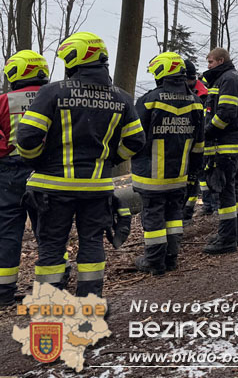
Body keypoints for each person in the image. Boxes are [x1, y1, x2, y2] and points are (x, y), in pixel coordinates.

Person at [16, 32, 146, 297]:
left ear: (75, 59)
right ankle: (89, 304)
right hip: (97, 188)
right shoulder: (121, 97)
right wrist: (110, 160)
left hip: (52, 188)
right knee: (92, 243)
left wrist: (37, 160)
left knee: (52, 247)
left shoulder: (52, 92)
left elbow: (27, 136)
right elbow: (136, 140)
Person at [131, 52, 204, 275]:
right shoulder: (196, 103)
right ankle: (171, 258)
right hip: (180, 174)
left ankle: (153, 261)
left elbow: (134, 137)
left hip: (151, 175)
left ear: (162, 73)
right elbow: (199, 145)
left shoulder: (149, 100)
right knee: (174, 216)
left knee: (153, 217)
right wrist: (193, 175)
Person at [0, 51, 50, 305]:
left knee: (8, 230)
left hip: (11, 171)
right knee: (49, 227)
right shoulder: (55, 96)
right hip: (48, 168)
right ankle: (53, 283)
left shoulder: (4, 101)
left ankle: (4, 291)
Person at [202, 48, 238, 254]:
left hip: (224, 148)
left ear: (221, 60)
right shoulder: (230, 77)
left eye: (211, 62)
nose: (208, 65)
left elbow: (226, 113)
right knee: (233, 192)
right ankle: (232, 234)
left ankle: (227, 239)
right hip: (232, 147)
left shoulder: (227, 79)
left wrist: (206, 132)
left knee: (226, 194)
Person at [182, 60, 209, 223]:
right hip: (185, 143)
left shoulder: (202, 94)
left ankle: (189, 212)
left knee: (197, 178)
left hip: (199, 143)